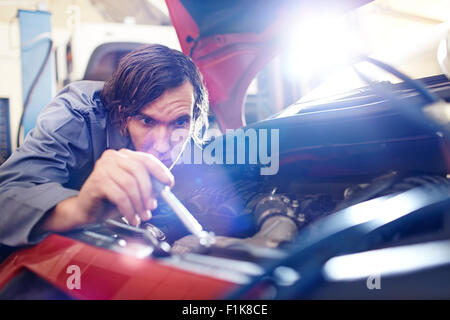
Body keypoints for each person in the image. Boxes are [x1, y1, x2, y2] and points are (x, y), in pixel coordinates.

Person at [0, 44, 209, 247]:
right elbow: (5, 202)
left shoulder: (191, 124)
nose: (163, 146)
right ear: (121, 113)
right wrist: (80, 208)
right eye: (147, 121)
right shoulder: (75, 115)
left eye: (180, 122)